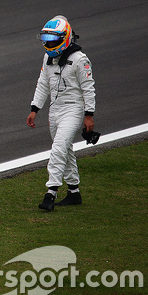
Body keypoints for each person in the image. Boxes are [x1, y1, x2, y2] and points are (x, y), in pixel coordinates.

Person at [26, 15, 96, 211]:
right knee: (65, 150)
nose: (49, 44)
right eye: (46, 40)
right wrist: (34, 109)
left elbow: (88, 88)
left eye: (53, 40)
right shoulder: (48, 57)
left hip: (74, 109)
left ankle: (51, 193)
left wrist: (89, 115)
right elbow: (42, 83)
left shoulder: (80, 60)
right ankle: (74, 192)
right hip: (54, 110)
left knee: (58, 149)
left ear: (65, 38)